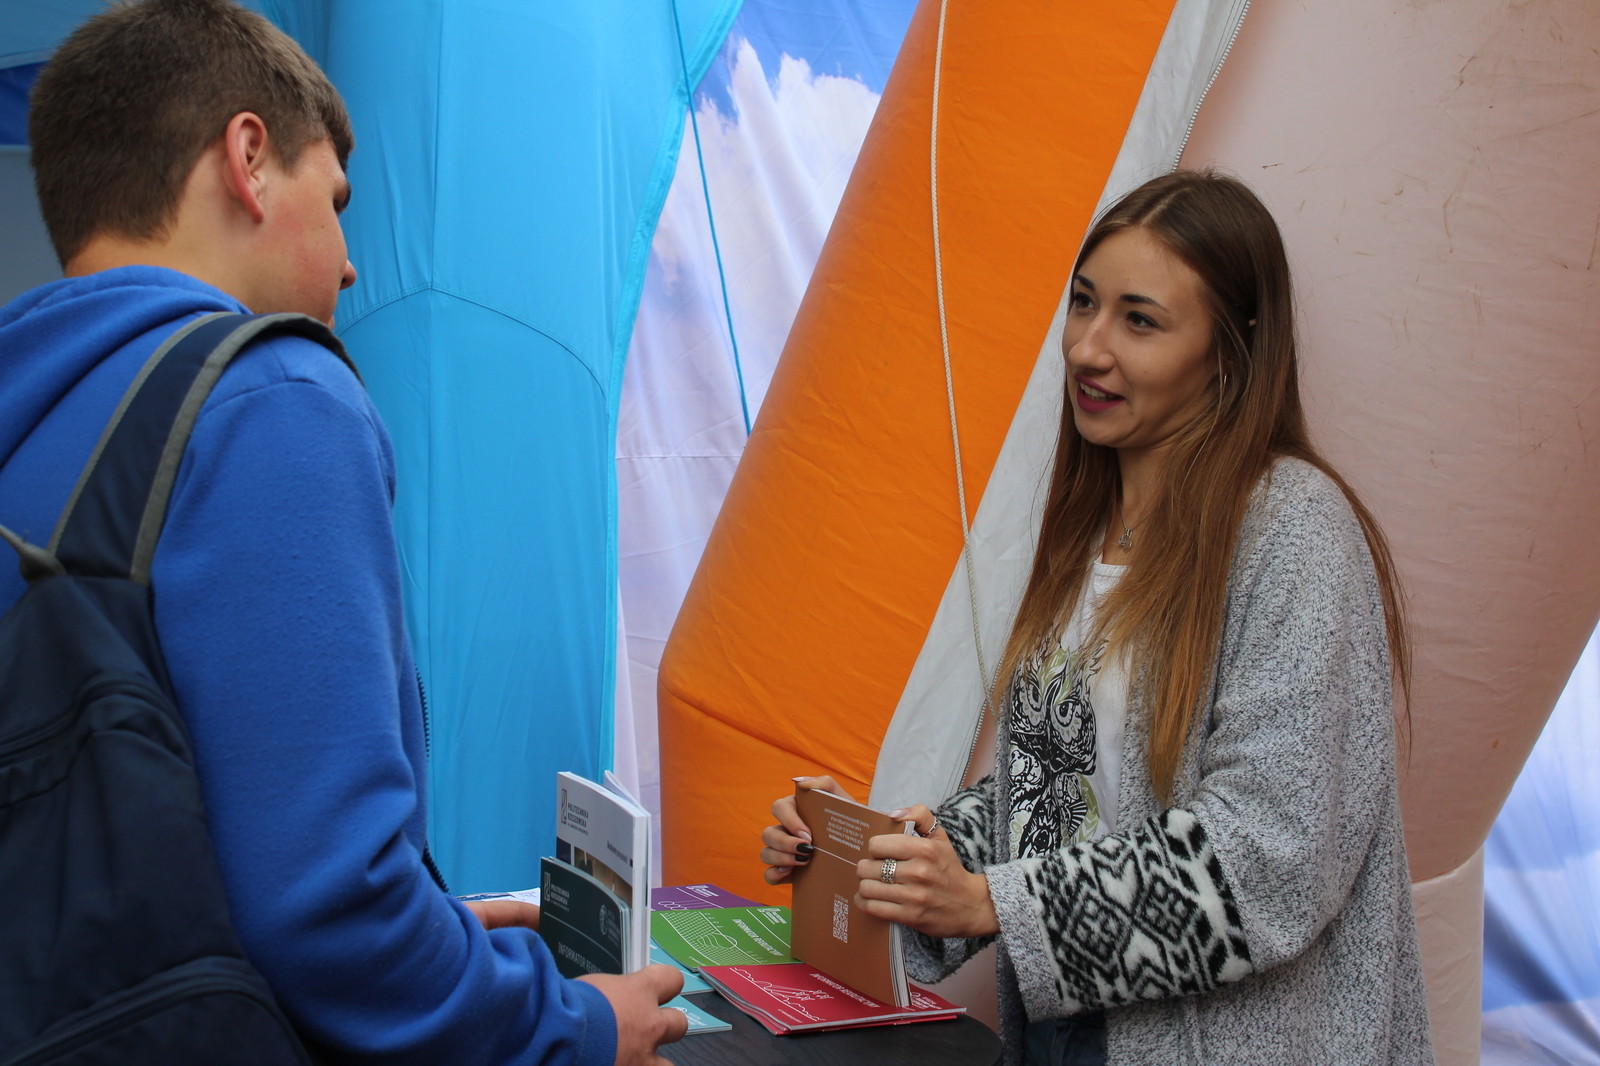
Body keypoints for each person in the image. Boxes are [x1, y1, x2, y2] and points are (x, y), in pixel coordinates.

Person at [0, 1, 685, 1062]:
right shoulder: (269, 395)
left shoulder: (35, 405)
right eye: (337, 199)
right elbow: (328, 914)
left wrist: (434, 938)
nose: (354, 262)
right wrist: (574, 1027)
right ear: (248, 159)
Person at [760, 170, 1435, 1065]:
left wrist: (993, 904)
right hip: (1066, 1033)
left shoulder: (1295, 529)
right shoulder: (1088, 531)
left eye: (1139, 320)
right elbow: (1056, 798)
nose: (1087, 347)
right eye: (1083, 303)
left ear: (1231, 351)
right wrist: (881, 861)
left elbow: (1272, 850)